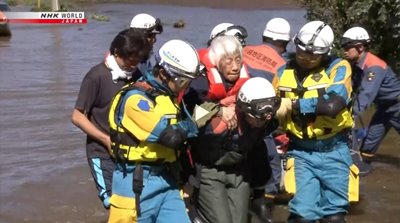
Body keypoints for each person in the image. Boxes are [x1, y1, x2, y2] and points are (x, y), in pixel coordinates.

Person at [107, 39, 218, 223]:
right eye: (183, 81)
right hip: (136, 183)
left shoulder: (167, 97)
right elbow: (171, 137)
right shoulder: (136, 100)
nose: (186, 87)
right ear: (165, 74)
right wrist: (196, 121)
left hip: (166, 179)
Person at [184, 36, 273, 223]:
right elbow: (190, 119)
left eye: (238, 60)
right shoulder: (198, 85)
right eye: (229, 60)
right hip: (210, 169)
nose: (235, 66)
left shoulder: (253, 82)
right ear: (217, 63)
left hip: (240, 168)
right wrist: (218, 110)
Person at [273, 21, 355, 222]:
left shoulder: (339, 68)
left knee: (334, 216)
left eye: (313, 55)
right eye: (301, 52)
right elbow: (271, 105)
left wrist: (293, 105)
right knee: (302, 214)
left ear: (325, 53)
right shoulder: (283, 73)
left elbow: (332, 105)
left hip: (335, 149)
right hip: (301, 151)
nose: (306, 58)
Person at [71, 29, 150, 209]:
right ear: (116, 53)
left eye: (137, 61)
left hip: (130, 152)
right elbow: (77, 116)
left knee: (136, 203)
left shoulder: (137, 77)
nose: (133, 65)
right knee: (113, 203)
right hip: (101, 152)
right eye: (130, 61)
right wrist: (105, 139)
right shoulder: (96, 76)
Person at [243, 17, 291, 209]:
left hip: (236, 109)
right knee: (270, 153)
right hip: (260, 115)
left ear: (264, 36)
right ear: (284, 43)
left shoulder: (243, 51)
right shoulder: (281, 65)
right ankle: (270, 194)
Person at [340, 26, 400, 176]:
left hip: (397, 106)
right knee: (368, 144)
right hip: (384, 109)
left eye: (348, 47)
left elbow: (366, 95)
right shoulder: (358, 65)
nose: (344, 50)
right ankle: (363, 171)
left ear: (360, 47)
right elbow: (352, 88)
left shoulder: (374, 66)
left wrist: (350, 115)